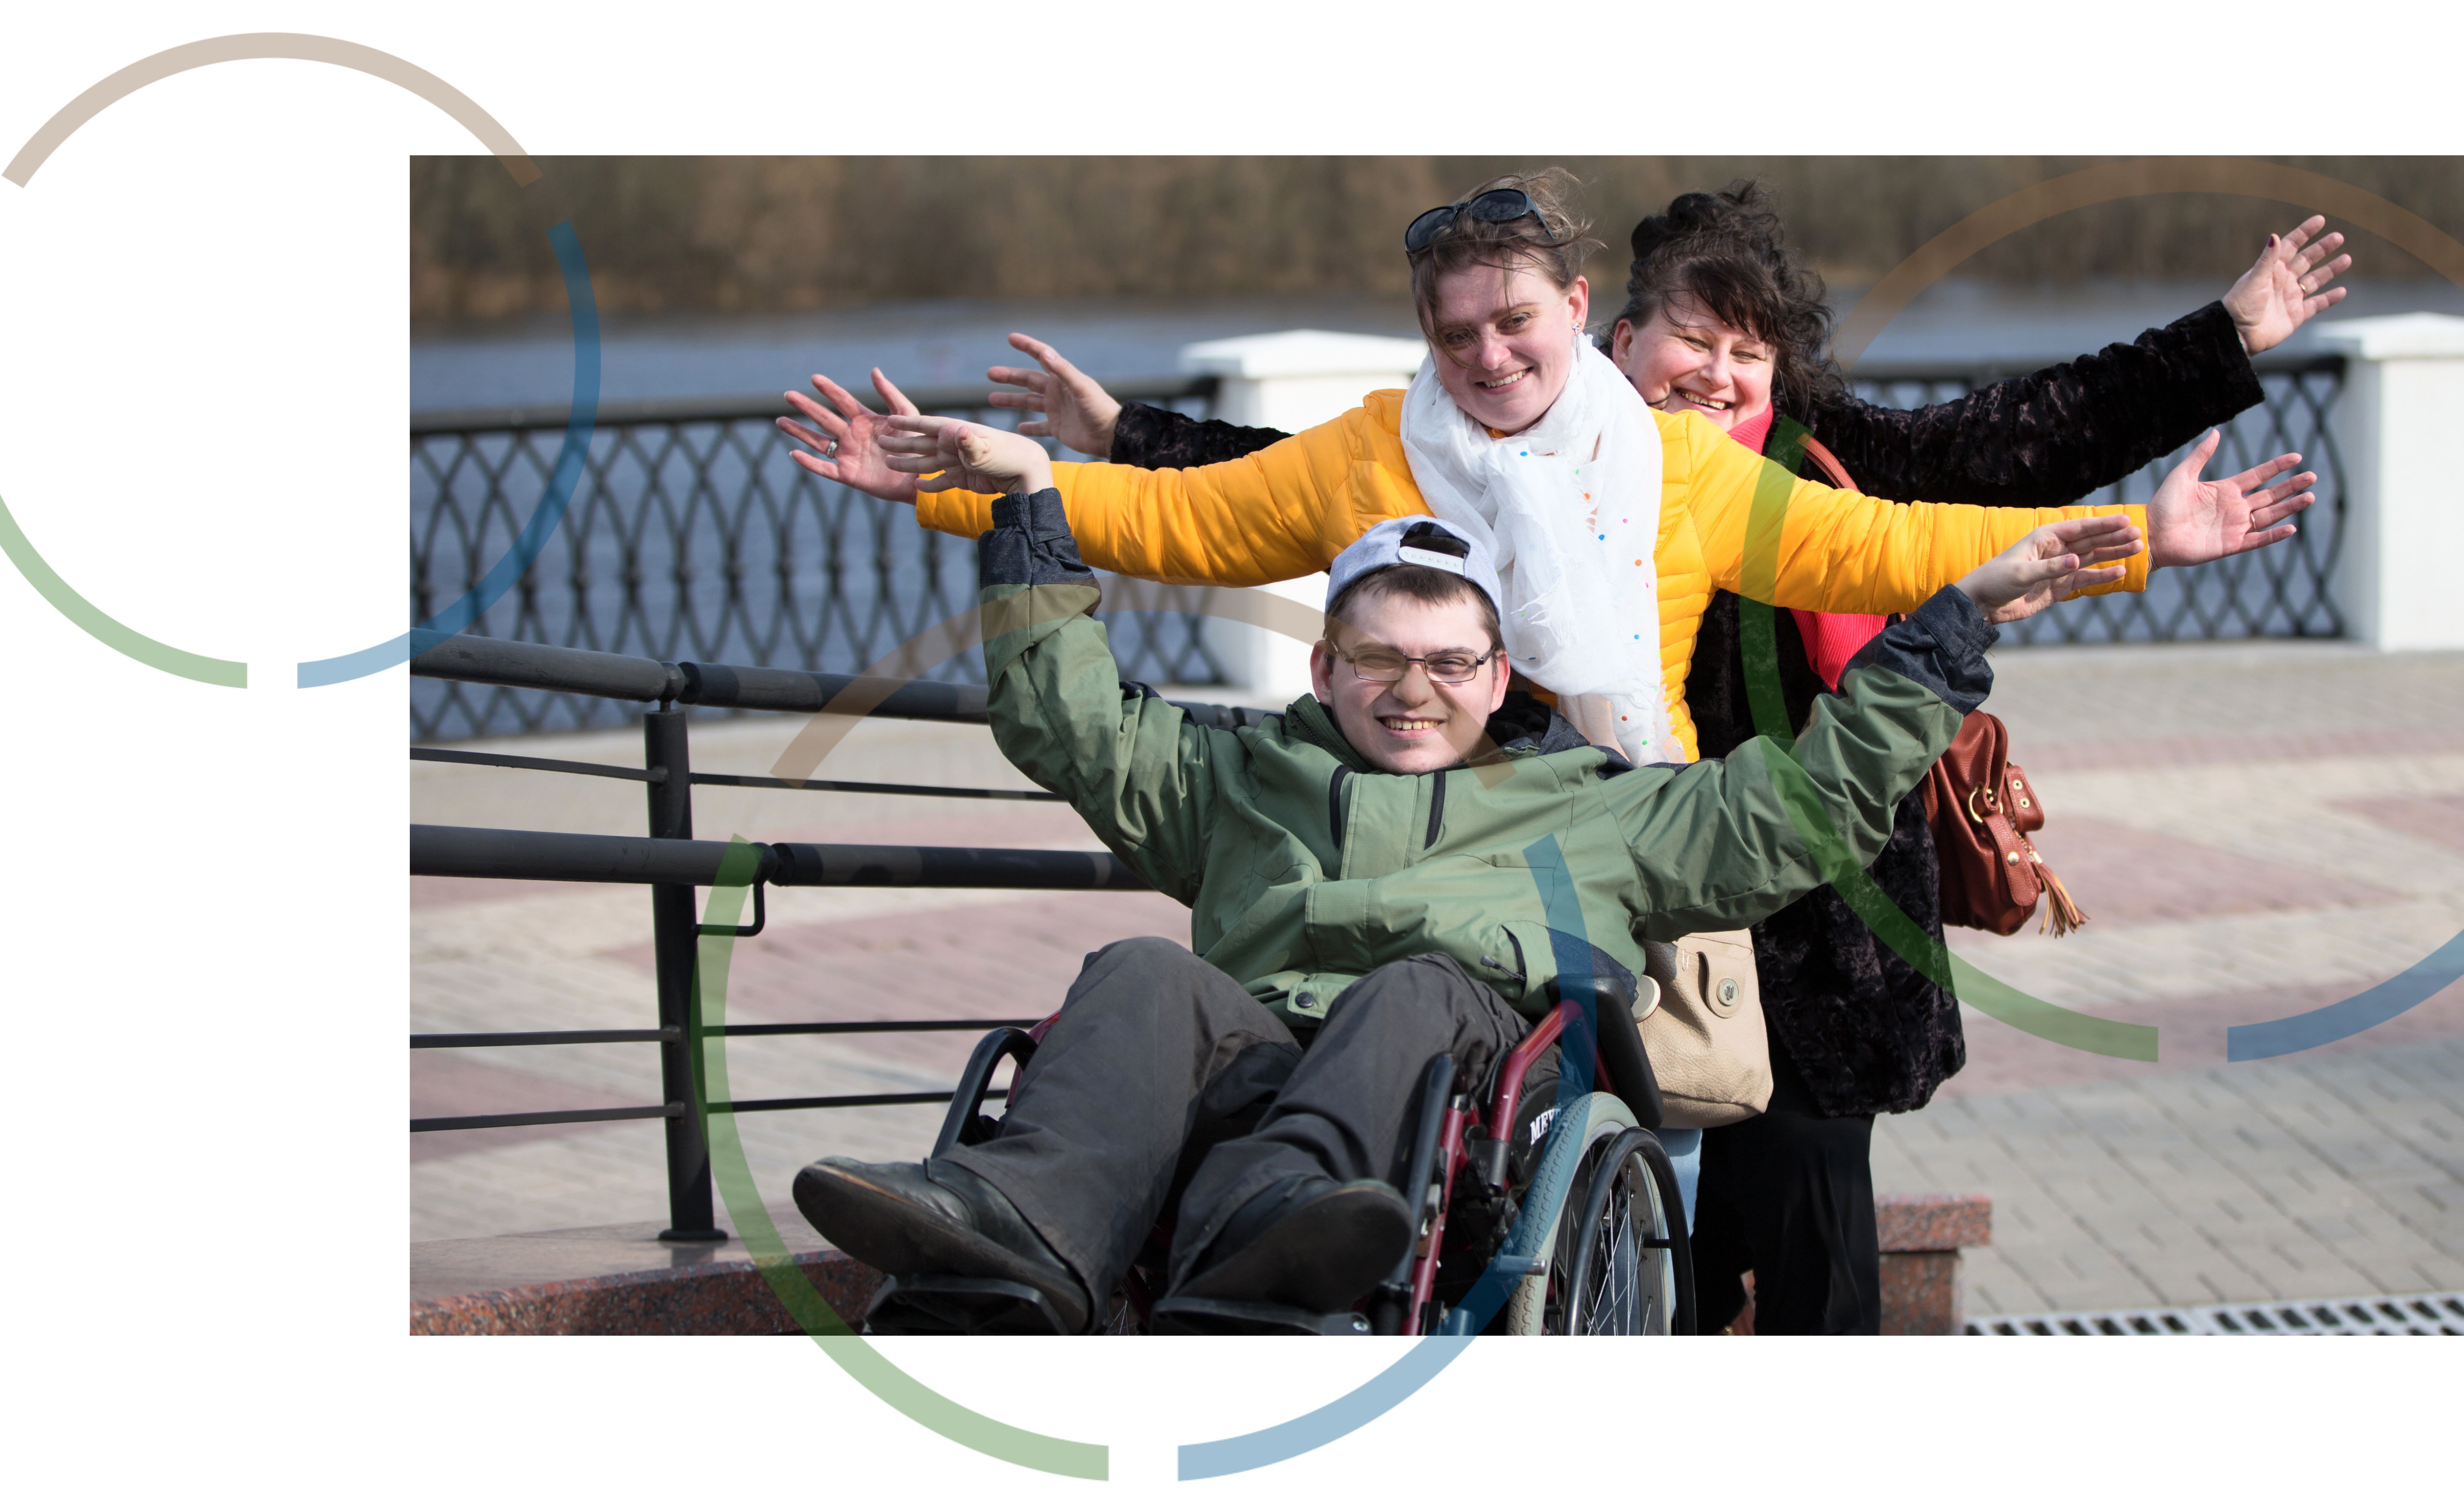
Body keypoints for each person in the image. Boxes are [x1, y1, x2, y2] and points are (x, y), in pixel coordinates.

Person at [790, 416, 2131, 1334]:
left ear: (1498, 680)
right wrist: (1030, 500)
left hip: (1449, 1094)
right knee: (1143, 970)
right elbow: (1069, 723)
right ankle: (1017, 1228)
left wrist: (1950, 633)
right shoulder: (1240, 779)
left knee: (1418, 986)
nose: (1410, 692)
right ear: (1324, 670)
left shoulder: (1593, 805)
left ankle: (1281, 1227)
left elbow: (1795, 815)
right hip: (1254, 1059)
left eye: (1446, 665)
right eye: (1377, 660)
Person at [777, 170, 2316, 773]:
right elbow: (1174, 519)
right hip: (1436, 817)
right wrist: (965, 480)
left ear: (1577, 314)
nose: (1490, 358)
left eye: (1514, 322)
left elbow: (1905, 544)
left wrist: (2141, 540)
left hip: (1629, 825)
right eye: (1455, 337)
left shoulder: (1680, 473)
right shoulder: (1378, 454)